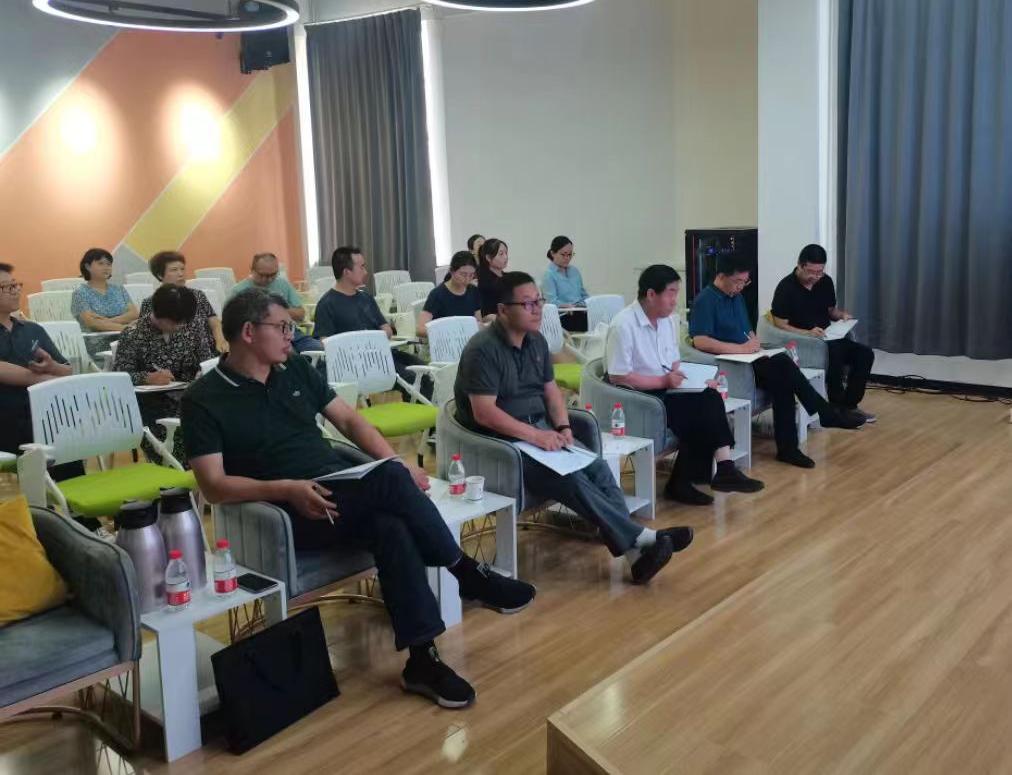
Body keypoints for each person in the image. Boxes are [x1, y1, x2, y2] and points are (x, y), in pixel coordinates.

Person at [182, 288, 536, 708]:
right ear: (248, 332)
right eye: (282, 327)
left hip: (341, 489)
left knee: (391, 525)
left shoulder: (293, 368)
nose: (292, 336)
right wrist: (286, 489)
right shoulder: (203, 399)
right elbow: (213, 485)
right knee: (391, 481)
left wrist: (396, 463)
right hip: (287, 511)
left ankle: (422, 660)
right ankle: (466, 571)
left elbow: (350, 421)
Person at [455, 271, 693, 585]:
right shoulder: (483, 349)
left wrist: (563, 426)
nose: (537, 310)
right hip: (501, 443)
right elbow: (485, 414)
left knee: (597, 468)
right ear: (502, 310)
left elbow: (551, 391)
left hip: (539, 431)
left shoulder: (536, 341)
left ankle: (636, 555)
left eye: (539, 301)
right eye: (527, 304)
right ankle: (644, 539)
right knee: (571, 479)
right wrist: (537, 436)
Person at [606, 265, 765, 504]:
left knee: (709, 395)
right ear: (651, 294)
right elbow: (619, 377)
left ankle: (723, 468)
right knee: (699, 413)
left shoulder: (668, 320)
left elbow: (673, 363)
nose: (675, 300)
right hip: (640, 396)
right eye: (670, 293)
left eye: (676, 293)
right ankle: (685, 482)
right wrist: (662, 381)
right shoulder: (623, 325)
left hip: (667, 387)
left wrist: (696, 380)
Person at [689, 255, 864, 469]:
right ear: (721, 276)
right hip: (733, 364)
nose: (741, 287)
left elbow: (747, 329)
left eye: (745, 281)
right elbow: (700, 341)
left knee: (783, 380)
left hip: (750, 356)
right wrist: (741, 349)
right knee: (782, 365)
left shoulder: (736, 297)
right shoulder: (705, 300)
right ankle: (823, 412)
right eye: (737, 281)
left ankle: (789, 449)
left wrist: (754, 341)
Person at [771, 243, 876, 423]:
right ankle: (835, 407)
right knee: (834, 353)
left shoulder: (825, 282)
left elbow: (830, 311)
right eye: (811, 272)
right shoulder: (786, 288)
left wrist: (842, 315)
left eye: (819, 272)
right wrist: (807, 333)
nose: (815, 277)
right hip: (805, 343)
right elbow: (780, 324)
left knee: (865, 354)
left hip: (829, 337)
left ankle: (849, 405)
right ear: (800, 265)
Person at [0, 262, 84, 482]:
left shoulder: (32, 329)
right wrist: (47, 379)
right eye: (6, 287)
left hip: (48, 413)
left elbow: (67, 370)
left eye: (15, 285)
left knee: (64, 429)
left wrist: (52, 367)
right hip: (8, 415)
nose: (15, 290)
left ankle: (72, 499)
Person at [313, 246, 432, 400]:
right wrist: (363, 341)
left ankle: (429, 413)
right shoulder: (327, 304)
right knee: (412, 378)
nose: (365, 272)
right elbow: (325, 343)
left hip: (382, 354)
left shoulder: (366, 298)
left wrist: (374, 337)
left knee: (425, 371)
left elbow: (387, 330)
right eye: (361, 267)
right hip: (356, 363)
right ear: (346, 272)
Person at [115, 284, 213, 464]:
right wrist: (147, 378)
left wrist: (201, 374)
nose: (181, 326)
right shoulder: (133, 334)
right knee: (182, 442)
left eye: (184, 322)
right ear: (157, 314)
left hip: (189, 397)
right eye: (175, 322)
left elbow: (206, 362)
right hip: (151, 405)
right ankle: (181, 477)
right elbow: (119, 377)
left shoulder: (193, 325)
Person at [230, 252, 322, 354]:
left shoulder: (283, 284)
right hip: (263, 337)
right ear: (252, 270)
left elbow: (300, 313)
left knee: (321, 351)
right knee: (293, 358)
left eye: (273, 275)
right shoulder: (239, 291)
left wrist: (276, 312)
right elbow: (233, 323)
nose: (269, 279)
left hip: (292, 332)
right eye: (263, 275)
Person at [142, 250, 227, 354]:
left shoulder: (198, 295)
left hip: (207, 351)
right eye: (174, 270)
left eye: (182, 269)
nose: (181, 274)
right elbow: (146, 335)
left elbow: (215, 323)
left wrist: (220, 341)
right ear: (160, 275)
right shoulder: (150, 302)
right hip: (171, 355)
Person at [71, 248, 138, 355]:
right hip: (99, 343)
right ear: (87, 266)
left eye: (109, 264)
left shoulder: (119, 289)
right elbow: (93, 323)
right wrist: (126, 328)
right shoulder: (80, 293)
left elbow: (134, 313)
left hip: (127, 339)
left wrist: (108, 321)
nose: (106, 267)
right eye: (101, 263)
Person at [416, 251, 482, 336]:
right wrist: (450, 332)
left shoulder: (473, 291)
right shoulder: (437, 295)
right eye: (463, 274)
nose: (467, 279)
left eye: (471, 275)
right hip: (446, 340)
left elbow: (478, 321)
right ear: (451, 271)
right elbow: (420, 329)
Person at [542, 236, 589, 332]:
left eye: (570, 254)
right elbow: (551, 302)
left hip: (580, 312)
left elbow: (583, 294)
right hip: (563, 316)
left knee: (601, 319)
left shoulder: (574, 271)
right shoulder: (549, 275)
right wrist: (566, 306)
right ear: (553, 253)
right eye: (563, 254)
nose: (567, 258)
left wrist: (589, 303)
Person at [476, 238, 509, 319]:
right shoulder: (484, 282)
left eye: (506, 253)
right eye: (501, 254)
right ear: (488, 258)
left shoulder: (508, 277)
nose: (506, 257)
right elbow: (485, 313)